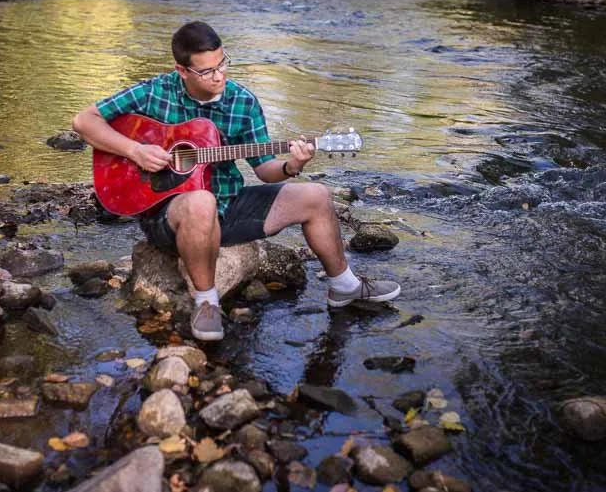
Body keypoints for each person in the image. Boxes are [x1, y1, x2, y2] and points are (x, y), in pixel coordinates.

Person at [72, 21, 400, 341]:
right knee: (201, 201)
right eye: (207, 71)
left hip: (229, 207)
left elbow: (265, 168)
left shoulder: (242, 102)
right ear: (182, 71)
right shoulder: (155, 92)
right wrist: (136, 150)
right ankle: (206, 303)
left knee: (315, 195)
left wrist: (292, 165)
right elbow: (84, 121)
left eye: (222, 64)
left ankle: (344, 286)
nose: (220, 76)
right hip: (168, 216)